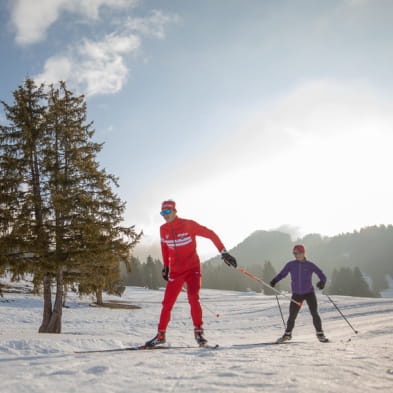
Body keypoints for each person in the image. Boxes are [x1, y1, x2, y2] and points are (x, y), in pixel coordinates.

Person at [144, 200, 237, 347]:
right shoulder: (163, 229)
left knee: (193, 298)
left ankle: (199, 333)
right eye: (162, 213)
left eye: (168, 212)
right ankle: (160, 335)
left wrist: (224, 252)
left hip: (192, 269)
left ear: (175, 211)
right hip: (176, 271)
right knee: (167, 303)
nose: (165, 215)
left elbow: (211, 234)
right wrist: (166, 266)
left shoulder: (188, 225)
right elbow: (164, 248)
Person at [270, 244, 329, 343]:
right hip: (297, 294)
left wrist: (322, 282)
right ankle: (287, 335)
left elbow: (321, 274)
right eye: (294, 253)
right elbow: (282, 274)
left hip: (309, 293)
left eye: (298, 253)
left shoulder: (310, 265)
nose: (296, 255)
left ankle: (320, 334)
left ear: (303, 253)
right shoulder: (291, 264)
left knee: (314, 313)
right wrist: (275, 280)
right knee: (292, 315)